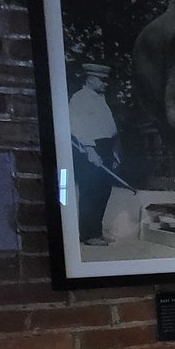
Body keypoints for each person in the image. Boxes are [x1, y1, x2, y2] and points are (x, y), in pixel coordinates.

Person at [69, 64, 120, 247]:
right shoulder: (80, 98)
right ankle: (87, 234)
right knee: (90, 191)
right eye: (102, 80)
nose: (106, 83)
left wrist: (113, 152)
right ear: (90, 79)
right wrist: (90, 150)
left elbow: (107, 127)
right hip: (90, 148)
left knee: (103, 191)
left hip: (105, 147)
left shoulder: (100, 99)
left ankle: (96, 231)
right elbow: (77, 127)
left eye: (106, 80)